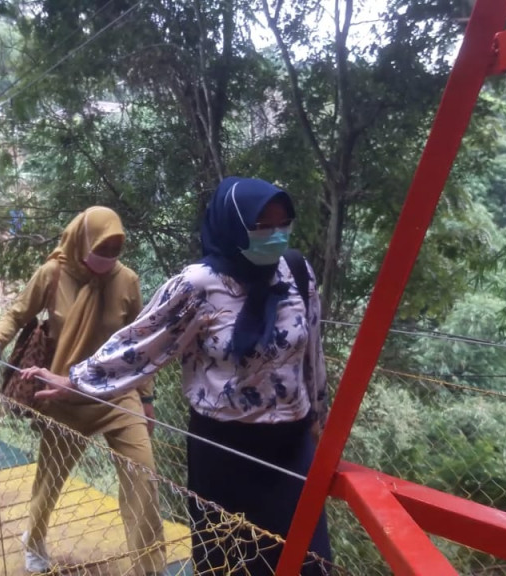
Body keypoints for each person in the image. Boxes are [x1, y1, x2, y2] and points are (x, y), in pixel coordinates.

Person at [24, 177, 334, 575]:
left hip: (291, 446)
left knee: (310, 561)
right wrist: (77, 379)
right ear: (233, 225)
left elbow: (312, 354)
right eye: (262, 227)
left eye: (283, 224)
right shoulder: (198, 286)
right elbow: (141, 343)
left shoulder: (296, 273)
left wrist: (320, 420)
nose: (275, 236)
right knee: (230, 562)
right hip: (226, 450)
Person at [0, 207, 167, 575]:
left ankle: (150, 566)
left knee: (143, 478)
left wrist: (146, 398)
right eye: (102, 247)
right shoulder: (53, 273)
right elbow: (16, 315)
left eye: (116, 249)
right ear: (81, 241)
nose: (108, 257)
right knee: (49, 481)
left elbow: (138, 345)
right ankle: (34, 540)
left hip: (117, 395)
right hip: (62, 394)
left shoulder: (126, 280)